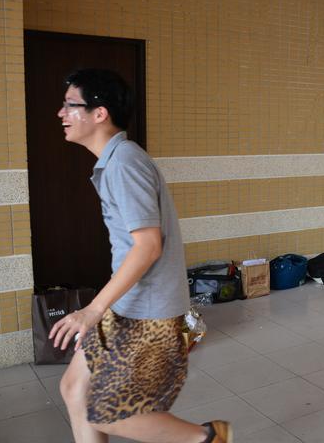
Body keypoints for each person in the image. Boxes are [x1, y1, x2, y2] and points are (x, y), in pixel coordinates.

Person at [48, 69, 231, 443]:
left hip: (149, 311)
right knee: (75, 389)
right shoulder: (115, 160)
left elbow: (148, 246)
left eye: (70, 105)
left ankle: (209, 438)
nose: (61, 113)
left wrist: (93, 309)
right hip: (126, 304)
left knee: (109, 415)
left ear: (100, 113)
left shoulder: (124, 163)